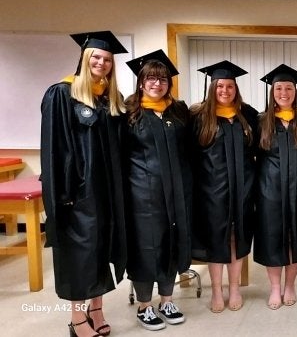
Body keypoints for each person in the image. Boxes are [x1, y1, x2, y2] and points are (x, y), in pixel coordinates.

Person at [40, 30, 128, 337]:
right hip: (77, 193)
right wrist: (63, 192)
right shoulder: (61, 94)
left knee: (100, 249)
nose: (102, 63)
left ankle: (97, 309)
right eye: (96, 57)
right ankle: (77, 320)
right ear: (85, 58)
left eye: (107, 60)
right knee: (80, 254)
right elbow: (54, 148)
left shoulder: (109, 99)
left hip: (106, 192)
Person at [122, 50, 192, 330]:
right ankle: (144, 306)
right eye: (151, 78)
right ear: (141, 82)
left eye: (162, 79)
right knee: (146, 247)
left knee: (171, 243)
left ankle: (167, 300)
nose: (157, 83)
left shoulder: (178, 111)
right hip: (143, 194)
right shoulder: (128, 112)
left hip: (176, 191)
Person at [189, 60, 258, 313]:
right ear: (212, 88)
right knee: (216, 239)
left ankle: (235, 288)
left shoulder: (248, 115)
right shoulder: (199, 116)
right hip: (211, 190)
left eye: (230, 86)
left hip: (243, 188)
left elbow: (256, 150)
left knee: (237, 238)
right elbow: (190, 155)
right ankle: (217, 290)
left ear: (235, 88)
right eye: (220, 86)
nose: (225, 90)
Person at [253, 64, 297, 310]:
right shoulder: (261, 120)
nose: (284, 93)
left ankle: (290, 285)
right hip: (270, 191)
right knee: (272, 238)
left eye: (289, 88)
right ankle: (275, 287)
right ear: (272, 91)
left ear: (295, 91)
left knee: (296, 238)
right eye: (279, 88)